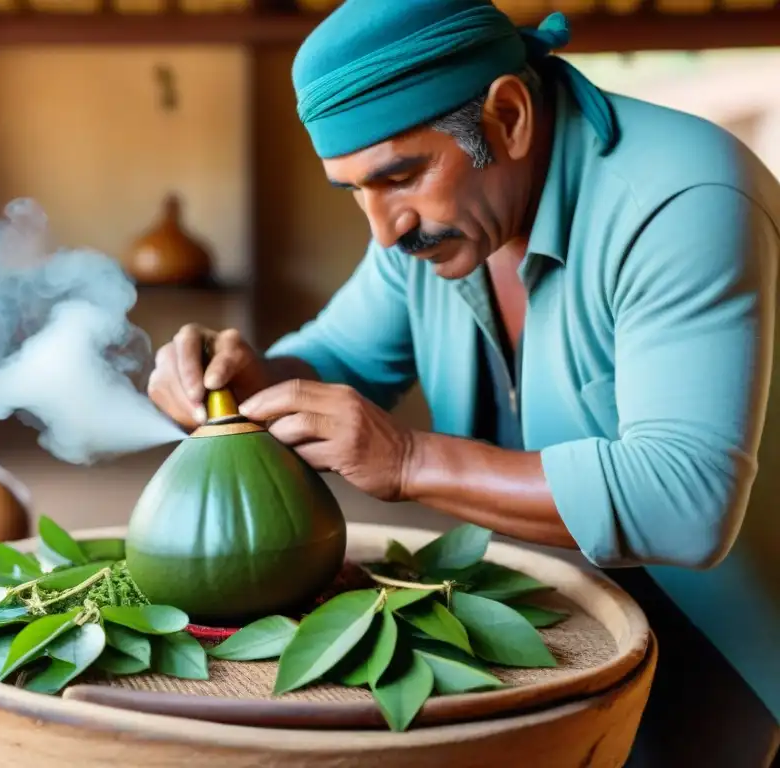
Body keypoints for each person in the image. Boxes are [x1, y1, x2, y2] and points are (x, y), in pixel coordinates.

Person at [146, 1, 780, 764]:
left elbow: (687, 505)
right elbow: (340, 357)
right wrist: (248, 379)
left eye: (402, 176)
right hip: (557, 608)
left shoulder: (684, 198)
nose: (384, 230)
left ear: (508, 116)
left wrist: (410, 462)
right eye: (355, 191)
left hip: (732, 633)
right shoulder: (440, 224)